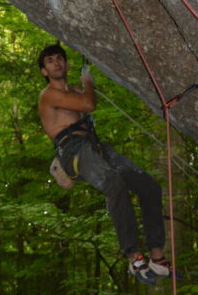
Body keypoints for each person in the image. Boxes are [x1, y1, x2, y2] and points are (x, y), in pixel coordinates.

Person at [38, 43, 168, 285]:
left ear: (66, 64)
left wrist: (82, 88)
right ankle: (133, 257)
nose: (56, 63)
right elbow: (88, 104)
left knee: (149, 186)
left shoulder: (73, 91)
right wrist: (89, 82)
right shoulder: (49, 95)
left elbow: (85, 106)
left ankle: (157, 257)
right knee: (114, 184)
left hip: (94, 146)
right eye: (50, 61)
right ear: (45, 71)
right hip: (73, 151)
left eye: (59, 59)